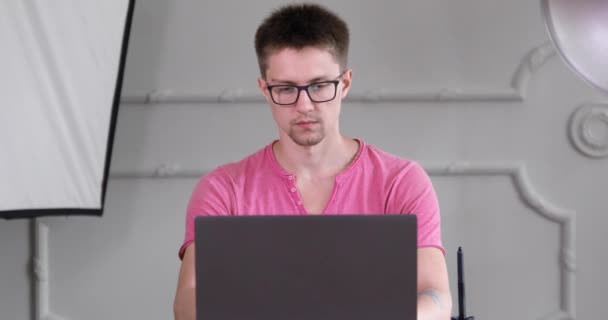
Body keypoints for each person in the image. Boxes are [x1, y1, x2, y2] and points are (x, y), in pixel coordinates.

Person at [173, 3, 452, 320]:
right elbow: (188, 303)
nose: (304, 105)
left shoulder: (402, 181)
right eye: (286, 88)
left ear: (344, 83)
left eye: (319, 85)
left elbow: (436, 298)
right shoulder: (222, 190)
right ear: (265, 89)